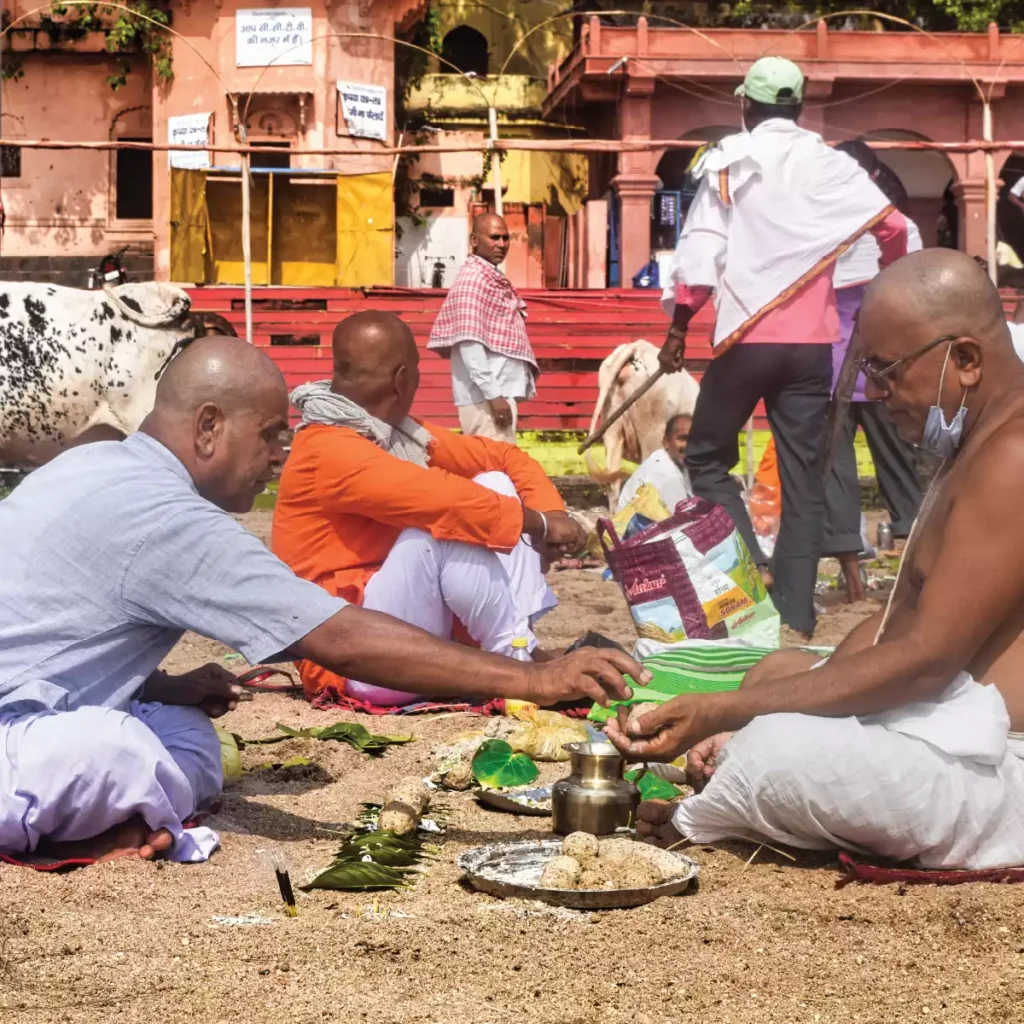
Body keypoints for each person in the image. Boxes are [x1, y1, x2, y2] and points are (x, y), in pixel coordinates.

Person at [0, 336, 645, 865]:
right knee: (124, 752)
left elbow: (48, 634)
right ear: (208, 427)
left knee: (187, 740)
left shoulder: (91, 463)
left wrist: (163, 685)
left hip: (27, 707)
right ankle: (80, 831)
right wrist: (534, 680)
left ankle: (95, 804)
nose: (277, 457)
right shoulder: (166, 515)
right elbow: (337, 638)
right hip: (16, 737)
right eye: (268, 436)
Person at [610, 250, 1024, 870]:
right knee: (774, 671)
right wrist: (763, 701)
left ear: (965, 359)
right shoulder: (983, 438)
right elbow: (903, 621)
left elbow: (926, 662)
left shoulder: (1014, 455)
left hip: (999, 765)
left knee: (775, 751)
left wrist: (726, 713)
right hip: (941, 714)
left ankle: (716, 798)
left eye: (887, 371)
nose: (876, 394)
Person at [659, 56, 908, 639]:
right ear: (798, 105)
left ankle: (755, 565)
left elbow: (701, 251)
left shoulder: (729, 159)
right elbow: (894, 229)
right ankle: (797, 614)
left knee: (705, 457)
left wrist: (679, 326)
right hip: (812, 344)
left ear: (746, 104)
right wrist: (887, 288)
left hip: (746, 336)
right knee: (804, 479)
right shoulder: (832, 163)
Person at [273, 311, 586, 706]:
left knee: (495, 483)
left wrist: (550, 513)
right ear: (403, 379)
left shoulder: (397, 433)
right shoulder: (327, 448)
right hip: (352, 660)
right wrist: (539, 525)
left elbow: (505, 458)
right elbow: (445, 503)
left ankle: (521, 644)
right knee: (443, 529)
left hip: (405, 632)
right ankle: (518, 666)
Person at [824, 140, 925, 600]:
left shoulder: (817, 222)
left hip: (854, 365)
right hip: (872, 365)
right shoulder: (899, 226)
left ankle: (857, 582)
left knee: (841, 471)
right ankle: (903, 573)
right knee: (893, 468)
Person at [427, 212, 537, 443]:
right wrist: (494, 395)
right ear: (474, 240)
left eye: (505, 238)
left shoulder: (490, 278)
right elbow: (470, 344)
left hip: (495, 396)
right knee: (492, 463)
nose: (501, 244)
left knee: (500, 462)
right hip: (486, 399)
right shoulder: (473, 280)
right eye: (494, 237)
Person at [615, 413, 693, 513]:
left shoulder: (666, 458)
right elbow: (683, 518)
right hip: (634, 522)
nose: (688, 445)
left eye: (693, 439)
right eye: (682, 439)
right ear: (666, 442)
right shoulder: (667, 475)